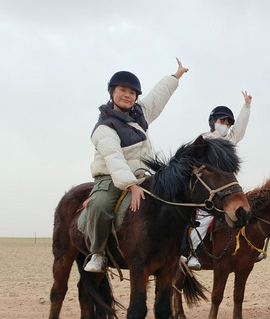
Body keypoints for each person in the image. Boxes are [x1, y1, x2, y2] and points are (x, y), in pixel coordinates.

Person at [83, 58, 189, 273]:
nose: (128, 95)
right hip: (112, 178)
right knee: (101, 206)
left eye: (132, 93)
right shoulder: (104, 128)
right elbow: (114, 159)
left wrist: (175, 77)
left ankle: (176, 251)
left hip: (143, 175)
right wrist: (131, 185)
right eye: (123, 90)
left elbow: (157, 97)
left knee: (178, 200)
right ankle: (98, 253)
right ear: (112, 92)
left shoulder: (140, 113)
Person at [184, 92, 253, 270]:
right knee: (204, 219)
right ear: (213, 122)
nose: (225, 126)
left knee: (242, 211)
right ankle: (192, 254)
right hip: (208, 190)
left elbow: (240, 130)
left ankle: (251, 249)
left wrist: (246, 107)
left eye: (228, 123)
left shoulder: (229, 141)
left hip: (225, 188)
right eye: (222, 122)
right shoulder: (204, 139)